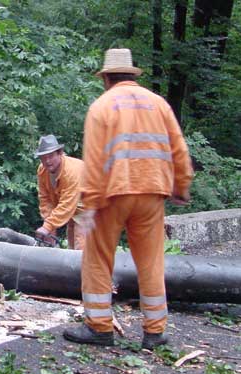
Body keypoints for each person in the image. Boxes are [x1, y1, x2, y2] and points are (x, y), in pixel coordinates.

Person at [63, 48, 194, 348]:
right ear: (131, 75)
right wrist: (181, 187)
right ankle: (155, 331)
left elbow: (94, 162)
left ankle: (99, 327)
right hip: (152, 192)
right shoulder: (158, 104)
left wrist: (90, 206)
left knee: (97, 259)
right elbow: (179, 149)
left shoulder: (101, 106)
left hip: (113, 194)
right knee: (150, 262)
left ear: (106, 78)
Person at [35, 134, 85, 250]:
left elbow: (67, 205)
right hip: (74, 209)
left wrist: (47, 227)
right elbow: (45, 198)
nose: (47, 161)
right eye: (43, 157)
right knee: (71, 248)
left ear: (60, 153)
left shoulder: (71, 172)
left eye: (51, 156)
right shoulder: (42, 170)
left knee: (82, 249)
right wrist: (49, 227)